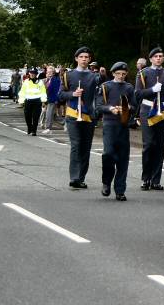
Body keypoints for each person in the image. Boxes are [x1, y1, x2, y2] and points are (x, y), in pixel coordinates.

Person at [58, 46, 100, 189]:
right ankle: (74, 177)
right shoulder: (68, 76)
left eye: (86, 57)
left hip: (88, 116)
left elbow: (101, 93)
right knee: (76, 145)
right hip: (73, 115)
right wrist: (72, 95)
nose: (84, 59)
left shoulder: (94, 76)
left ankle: (81, 178)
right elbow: (60, 95)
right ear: (76, 58)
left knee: (85, 147)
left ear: (89, 60)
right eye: (81, 57)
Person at [135, 47, 164, 191]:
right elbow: (137, 93)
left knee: (160, 145)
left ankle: (156, 180)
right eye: (156, 56)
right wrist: (152, 90)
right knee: (149, 145)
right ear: (151, 59)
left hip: (163, 111)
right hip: (147, 110)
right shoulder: (143, 73)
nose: (159, 58)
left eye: (161, 56)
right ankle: (145, 178)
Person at [96, 62, 137, 201]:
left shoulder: (129, 87)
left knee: (123, 158)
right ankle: (106, 182)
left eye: (124, 74)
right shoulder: (105, 86)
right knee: (108, 154)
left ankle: (120, 190)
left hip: (123, 125)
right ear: (113, 73)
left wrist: (127, 108)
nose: (121, 76)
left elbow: (134, 106)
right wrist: (110, 109)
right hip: (109, 124)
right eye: (118, 74)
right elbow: (99, 106)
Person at [18, 67, 47, 136]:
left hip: (37, 101)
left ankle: (34, 131)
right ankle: (29, 127)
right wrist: (21, 101)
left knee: (35, 117)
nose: (32, 74)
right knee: (27, 116)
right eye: (31, 73)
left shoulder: (40, 82)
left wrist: (43, 101)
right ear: (29, 73)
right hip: (28, 101)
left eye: (33, 73)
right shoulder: (26, 81)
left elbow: (43, 92)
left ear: (36, 74)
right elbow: (22, 92)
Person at [42, 65, 61, 134]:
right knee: (48, 114)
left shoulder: (56, 80)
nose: (49, 73)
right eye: (48, 72)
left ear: (53, 73)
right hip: (45, 99)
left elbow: (57, 91)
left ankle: (48, 128)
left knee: (49, 114)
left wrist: (56, 100)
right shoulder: (45, 80)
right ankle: (66, 123)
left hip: (52, 99)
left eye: (50, 72)